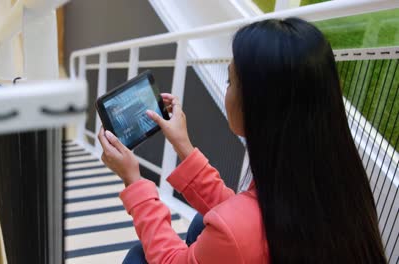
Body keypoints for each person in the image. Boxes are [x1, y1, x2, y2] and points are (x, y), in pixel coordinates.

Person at [97, 18, 387, 263]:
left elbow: (178, 256)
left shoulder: (238, 229)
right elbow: (241, 221)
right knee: (202, 222)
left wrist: (134, 181)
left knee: (139, 256)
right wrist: (183, 146)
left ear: (258, 105)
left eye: (230, 81)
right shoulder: (335, 181)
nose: (228, 90)